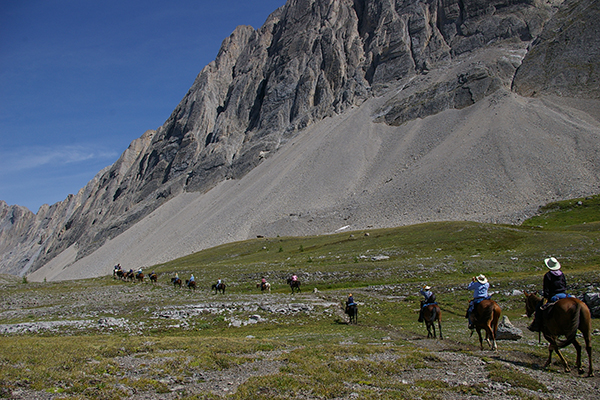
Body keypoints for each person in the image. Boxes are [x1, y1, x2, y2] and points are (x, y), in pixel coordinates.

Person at [528, 257, 568, 332]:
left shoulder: (548, 275)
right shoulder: (561, 274)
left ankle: (536, 325)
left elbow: (546, 288)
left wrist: (546, 297)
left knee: (538, 308)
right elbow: (564, 284)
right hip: (564, 294)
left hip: (554, 295)